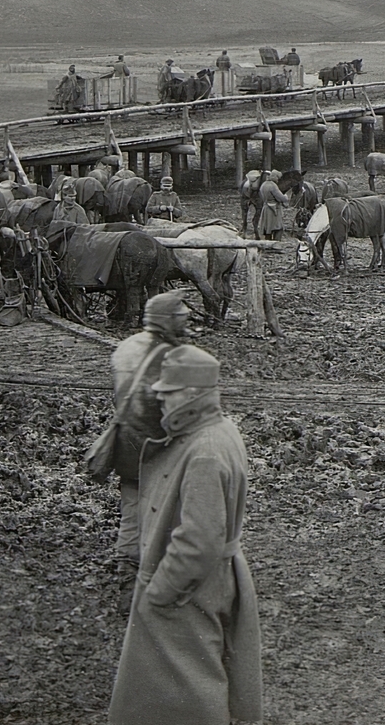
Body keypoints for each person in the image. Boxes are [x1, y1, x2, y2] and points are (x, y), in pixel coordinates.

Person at [109, 344, 263, 725]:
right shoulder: (215, 430)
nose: (161, 401)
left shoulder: (205, 450)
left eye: (169, 393)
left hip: (189, 586)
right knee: (189, 678)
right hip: (204, 579)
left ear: (194, 394)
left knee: (190, 687)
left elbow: (200, 539)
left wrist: (160, 591)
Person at [107, 290, 190, 602]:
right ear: (167, 321)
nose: (186, 320)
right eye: (180, 316)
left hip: (127, 442)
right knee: (172, 510)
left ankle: (127, 575)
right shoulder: (173, 355)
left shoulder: (124, 348)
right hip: (160, 444)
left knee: (131, 508)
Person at [256, 173, 289, 240]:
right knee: (278, 228)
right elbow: (281, 198)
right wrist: (286, 196)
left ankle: (267, 245)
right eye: (277, 178)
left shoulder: (263, 184)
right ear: (275, 177)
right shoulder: (273, 186)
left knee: (267, 228)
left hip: (265, 209)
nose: (278, 180)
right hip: (274, 210)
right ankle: (276, 244)